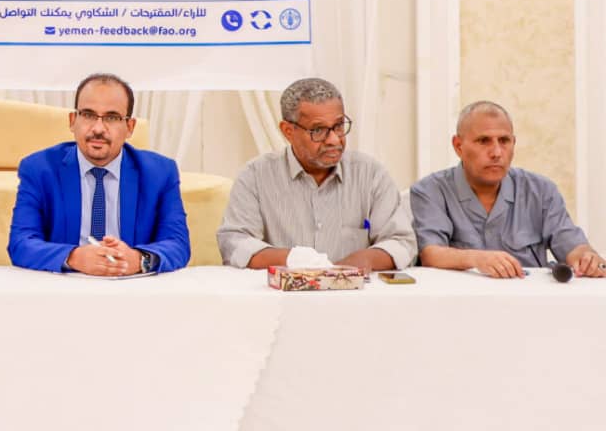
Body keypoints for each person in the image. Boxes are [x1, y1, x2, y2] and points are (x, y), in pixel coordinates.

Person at [217, 77, 415, 271]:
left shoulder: (370, 173)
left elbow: (401, 242)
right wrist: (293, 260)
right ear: (288, 131)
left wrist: (364, 260)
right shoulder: (255, 176)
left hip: (353, 289)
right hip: (282, 290)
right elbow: (234, 242)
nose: (334, 140)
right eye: (318, 130)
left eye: (339, 126)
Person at [8, 73, 190, 275]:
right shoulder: (39, 169)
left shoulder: (160, 173)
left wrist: (139, 259)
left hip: (132, 286)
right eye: (88, 115)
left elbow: (178, 244)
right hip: (64, 286)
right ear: (72, 121)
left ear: (130, 127)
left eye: (112, 118)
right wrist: (73, 257)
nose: (98, 128)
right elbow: (21, 243)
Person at [411, 100, 605, 278]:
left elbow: (572, 245)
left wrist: (587, 258)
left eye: (504, 141)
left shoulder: (541, 191)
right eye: (483, 141)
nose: (496, 152)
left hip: (530, 299)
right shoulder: (430, 191)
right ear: (458, 146)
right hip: (460, 300)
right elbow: (430, 254)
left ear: (514, 143)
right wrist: (477, 259)